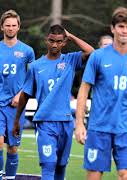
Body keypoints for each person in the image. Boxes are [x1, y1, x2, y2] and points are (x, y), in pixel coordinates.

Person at [74, 7, 127, 180]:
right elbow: (84, 90)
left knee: (125, 175)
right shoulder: (98, 57)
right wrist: (79, 123)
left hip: (126, 128)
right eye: (121, 26)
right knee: (94, 175)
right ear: (113, 28)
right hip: (99, 127)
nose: (125, 31)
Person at [12, 24, 93, 180]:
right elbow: (25, 95)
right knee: (48, 164)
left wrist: (72, 36)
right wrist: (17, 120)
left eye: (59, 41)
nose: (55, 45)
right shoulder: (35, 66)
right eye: (51, 41)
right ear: (46, 40)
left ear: (64, 42)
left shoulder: (71, 60)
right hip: (45, 122)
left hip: (65, 121)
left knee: (61, 166)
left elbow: (91, 52)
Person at [0, 9, 35, 179]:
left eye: (14, 25)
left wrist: (20, 94)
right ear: (2, 27)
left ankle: (11, 178)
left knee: (12, 147)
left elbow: (32, 77)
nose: (11, 28)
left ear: (19, 27)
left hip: (17, 106)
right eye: (7, 25)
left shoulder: (27, 51)